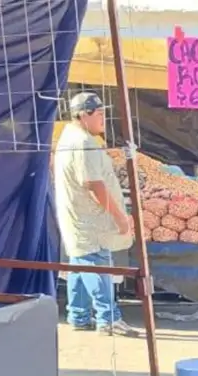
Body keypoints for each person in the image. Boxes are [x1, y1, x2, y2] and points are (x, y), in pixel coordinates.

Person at [54, 91, 137, 335]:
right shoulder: (83, 143)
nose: (103, 119)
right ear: (83, 115)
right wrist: (120, 218)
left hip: (77, 217)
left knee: (79, 262)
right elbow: (93, 186)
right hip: (89, 220)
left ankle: (78, 316)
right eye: (99, 114)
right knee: (95, 263)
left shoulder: (69, 136)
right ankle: (108, 319)